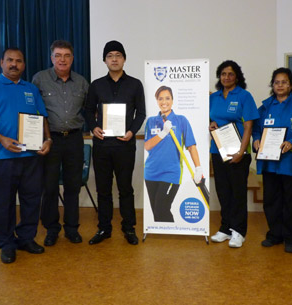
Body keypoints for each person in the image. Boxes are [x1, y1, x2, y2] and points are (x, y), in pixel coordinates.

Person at [0, 48, 52, 264]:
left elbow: (42, 117)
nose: (14, 64)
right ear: (1, 62)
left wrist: (48, 139)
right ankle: (6, 243)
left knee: (32, 201)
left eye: (19, 61)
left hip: (31, 157)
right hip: (3, 157)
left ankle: (26, 238)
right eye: (10, 60)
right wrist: (1, 138)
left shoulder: (31, 89)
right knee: (3, 203)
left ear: (24, 64)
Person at [85, 40, 146, 245]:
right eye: (110, 55)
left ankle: (129, 228)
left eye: (118, 55)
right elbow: (87, 110)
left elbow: (141, 113)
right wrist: (93, 126)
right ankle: (104, 228)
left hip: (125, 145)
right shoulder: (96, 85)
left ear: (124, 59)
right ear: (104, 60)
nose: (114, 59)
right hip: (102, 145)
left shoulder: (135, 84)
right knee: (103, 190)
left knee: (125, 189)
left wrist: (131, 132)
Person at [32, 40, 89, 247]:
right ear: (52, 58)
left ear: (72, 58)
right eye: (58, 55)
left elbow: (91, 111)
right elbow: (33, 112)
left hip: (74, 139)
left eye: (66, 55)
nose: (62, 59)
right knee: (49, 187)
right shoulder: (39, 79)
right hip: (50, 140)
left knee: (73, 186)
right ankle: (51, 229)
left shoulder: (82, 82)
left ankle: (72, 229)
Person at [252, 68, 292, 253]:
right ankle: (275, 234)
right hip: (269, 163)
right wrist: (255, 140)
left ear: (291, 85)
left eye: (284, 82)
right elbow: (255, 129)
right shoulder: (264, 107)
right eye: (276, 82)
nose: (280, 85)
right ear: (272, 85)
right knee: (272, 200)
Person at [209, 60, 259, 248]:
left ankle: (238, 231)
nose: (226, 77)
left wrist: (241, 151)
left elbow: (248, 126)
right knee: (223, 191)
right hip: (217, 150)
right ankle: (225, 228)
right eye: (223, 74)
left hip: (238, 152)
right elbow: (211, 118)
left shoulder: (244, 96)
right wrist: (211, 123)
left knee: (237, 192)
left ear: (236, 76)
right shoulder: (213, 97)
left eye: (230, 74)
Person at [144, 86, 204, 222]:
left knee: (162, 209)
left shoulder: (181, 120)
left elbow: (191, 147)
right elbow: (147, 146)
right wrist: (163, 133)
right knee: (156, 213)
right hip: (151, 172)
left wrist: (198, 168)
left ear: (172, 100)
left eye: (167, 98)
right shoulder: (151, 121)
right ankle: (163, 239)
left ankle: (171, 236)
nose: (164, 101)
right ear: (156, 100)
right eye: (160, 98)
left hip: (171, 173)